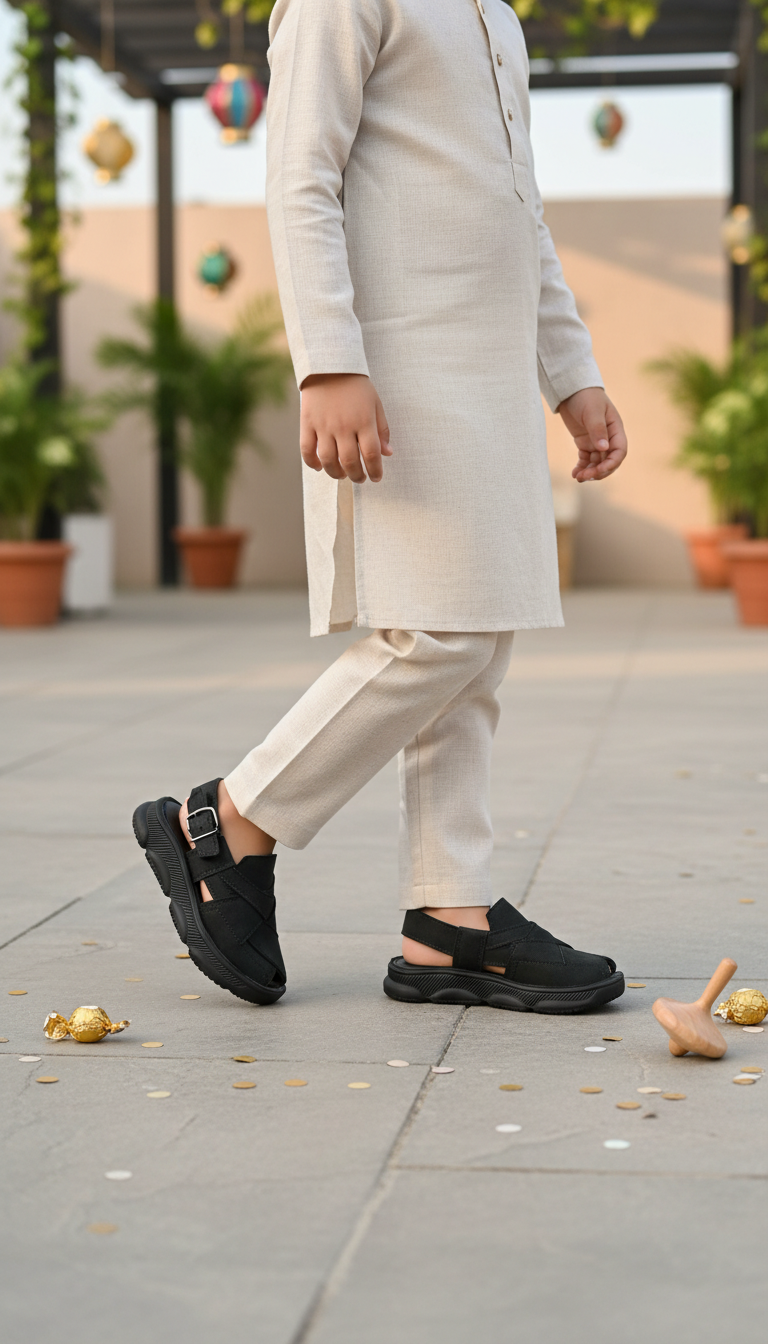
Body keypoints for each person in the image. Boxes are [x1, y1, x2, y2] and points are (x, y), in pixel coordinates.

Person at [134, 0, 628, 1013]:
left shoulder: (494, 15)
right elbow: (300, 176)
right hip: (397, 363)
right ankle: (229, 818)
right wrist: (329, 362)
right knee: (438, 635)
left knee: (479, 646)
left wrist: (571, 373)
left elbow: (522, 216)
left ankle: (449, 920)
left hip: (491, 372)